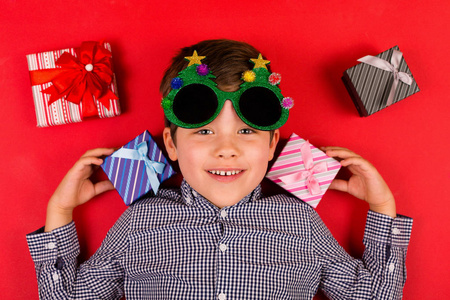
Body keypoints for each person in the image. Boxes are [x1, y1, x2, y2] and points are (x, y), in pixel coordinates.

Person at [27, 39, 412, 299]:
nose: (226, 149)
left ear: (272, 145)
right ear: (172, 145)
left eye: (246, 130)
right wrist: (60, 213)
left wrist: (381, 207)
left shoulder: (301, 222)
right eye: (204, 131)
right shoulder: (139, 222)